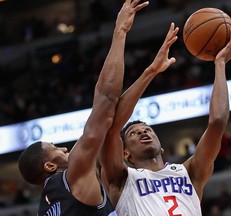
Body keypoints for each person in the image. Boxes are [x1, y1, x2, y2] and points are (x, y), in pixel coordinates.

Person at [17, 0, 149, 215]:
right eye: (56, 148)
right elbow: (106, 103)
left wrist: (149, 73)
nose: (65, 149)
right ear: (50, 166)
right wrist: (120, 31)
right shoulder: (73, 175)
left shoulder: (47, 206)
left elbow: (111, 126)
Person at [100, 24, 231, 215]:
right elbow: (110, 128)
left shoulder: (189, 172)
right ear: (126, 154)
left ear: (162, 146)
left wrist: (220, 63)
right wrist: (151, 71)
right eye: (133, 133)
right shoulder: (121, 179)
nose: (143, 131)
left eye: (148, 129)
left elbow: (217, 123)